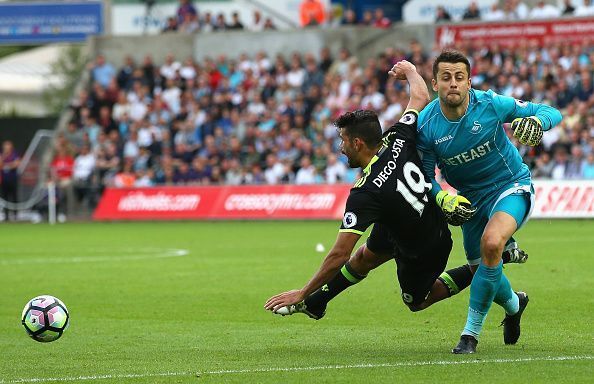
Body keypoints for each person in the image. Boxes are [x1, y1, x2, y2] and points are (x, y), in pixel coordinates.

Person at [265, 61, 528, 322]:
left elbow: (338, 254)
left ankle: (488, 262)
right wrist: (411, 71)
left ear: (358, 143)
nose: (340, 149)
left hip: (424, 242)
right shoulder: (398, 138)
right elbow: (420, 96)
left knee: (418, 301)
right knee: (364, 258)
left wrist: (301, 291)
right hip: (398, 218)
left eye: (343, 142)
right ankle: (318, 303)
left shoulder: (365, 193)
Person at [416, 50, 563, 353]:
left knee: (492, 244)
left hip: (510, 185)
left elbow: (551, 111)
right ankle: (514, 304)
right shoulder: (426, 125)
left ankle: (470, 335)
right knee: (480, 269)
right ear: (435, 83)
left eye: (459, 77)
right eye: (446, 77)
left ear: (469, 82)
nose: (453, 83)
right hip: (469, 200)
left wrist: (538, 121)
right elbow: (425, 177)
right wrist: (441, 196)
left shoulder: (490, 103)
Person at [0, 140, 21, 221]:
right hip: (3, 180)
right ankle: (6, 215)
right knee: (5, 198)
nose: (7, 148)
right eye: (5, 146)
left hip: (13, 179)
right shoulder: (2, 155)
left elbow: (17, 163)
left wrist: (6, 165)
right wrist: (5, 160)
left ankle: (16, 215)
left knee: (14, 197)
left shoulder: (14, 154)